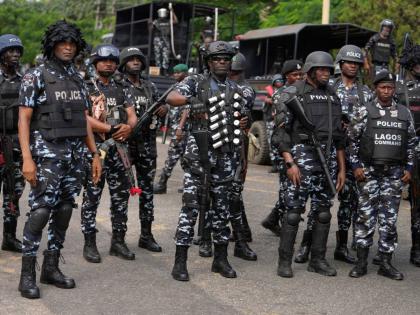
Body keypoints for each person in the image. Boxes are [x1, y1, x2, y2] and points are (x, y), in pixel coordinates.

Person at [17, 20, 101, 299]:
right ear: (52, 45)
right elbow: (24, 119)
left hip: (75, 155)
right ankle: (27, 274)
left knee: (65, 209)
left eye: (72, 43)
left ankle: (51, 267)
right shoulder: (36, 76)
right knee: (40, 212)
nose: (68, 47)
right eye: (62, 42)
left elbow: (84, 119)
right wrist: (27, 159)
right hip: (47, 155)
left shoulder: (79, 77)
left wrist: (94, 153)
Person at [166, 41, 249, 281]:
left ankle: (220, 260)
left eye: (225, 59)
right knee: (191, 208)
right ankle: (180, 262)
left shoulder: (236, 88)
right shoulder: (196, 82)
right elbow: (172, 97)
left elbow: (243, 116)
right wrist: (192, 103)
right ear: (209, 62)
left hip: (226, 155)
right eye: (217, 59)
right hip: (199, 154)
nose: (221, 62)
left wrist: (243, 121)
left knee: (221, 208)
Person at [295, 45, 373, 264]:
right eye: (349, 62)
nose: (353, 66)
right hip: (327, 151)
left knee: (350, 203)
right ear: (340, 64)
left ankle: (341, 246)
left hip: (354, 154)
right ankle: (306, 245)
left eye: (357, 64)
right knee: (319, 201)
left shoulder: (365, 92)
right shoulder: (328, 87)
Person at [276, 51, 346, 278]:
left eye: (328, 70)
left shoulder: (332, 95)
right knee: (294, 212)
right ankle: (284, 262)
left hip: (327, 158)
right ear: (310, 71)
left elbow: (339, 137)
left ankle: (317, 260)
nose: (326, 73)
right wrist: (290, 163)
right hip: (301, 157)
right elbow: (281, 133)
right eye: (322, 70)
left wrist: (342, 168)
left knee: (323, 213)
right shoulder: (292, 92)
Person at [348, 70, 417, 280]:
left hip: (394, 174)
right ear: (376, 89)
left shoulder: (404, 113)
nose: (386, 91)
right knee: (365, 217)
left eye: (390, 88)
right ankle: (361, 262)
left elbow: (413, 143)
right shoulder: (364, 111)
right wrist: (356, 166)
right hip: (368, 172)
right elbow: (351, 141)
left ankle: (385, 262)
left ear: (394, 89)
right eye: (382, 87)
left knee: (389, 219)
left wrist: (409, 169)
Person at [81, 44, 137, 263]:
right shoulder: (86, 87)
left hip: (120, 151)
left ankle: (118, 242)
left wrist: (129, 127)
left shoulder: (122, 86)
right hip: (95, 151)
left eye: (113, 61)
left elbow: (131, 114)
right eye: (104, 60)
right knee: (92, 197)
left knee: (121, 198)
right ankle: (89, 244)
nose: (109, 64)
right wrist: (110, 129)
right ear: (95, 63)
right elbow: (84, 118)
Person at [119, 46, 165, 252]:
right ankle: (118, 238)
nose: (135, 62)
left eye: (138, 59)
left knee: (147, 192)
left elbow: (161, 108)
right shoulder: (118, 85)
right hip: (125, 145)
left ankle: (146, 235)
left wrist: (164, 109)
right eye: (131, 59)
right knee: (121, 193)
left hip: (147, 144)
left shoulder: (150, 86)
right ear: (124, 63)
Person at [262, 59, 303, 237]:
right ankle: (282, 224)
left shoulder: (300, 91)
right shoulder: (282, 95)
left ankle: (273, 219)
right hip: (284, 147)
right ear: (287, 76)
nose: (299, 77)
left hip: (297, 147)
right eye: (295, 75)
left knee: (291, 189)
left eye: (301, 74)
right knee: (288, 188)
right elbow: (283, 128)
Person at [227, 52, 257, 261]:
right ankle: (243, 230)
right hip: (222, 141)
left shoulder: (244, 88)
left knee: (234, 190)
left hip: (236, 143)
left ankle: (241, 237)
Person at [395, 44, 420, 267]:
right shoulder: (397, 87)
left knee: (417, 204)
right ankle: (383, 248)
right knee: (389, 201)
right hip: (398, 149)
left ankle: (417, 248)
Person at [0, 34, 25, 253]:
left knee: (14, 192)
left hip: (15, 145)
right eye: (10, 51)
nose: (15, 54)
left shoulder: (24, 80)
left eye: (18, 51)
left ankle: (9, 237)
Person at [154, 63, 189, 194]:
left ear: (185, 73)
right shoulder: (176, 86)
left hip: (182, 129)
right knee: (185, 158)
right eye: (174, 72)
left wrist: (180, 127)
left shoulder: (187, 87)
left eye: (178, 72)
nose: (175, 75)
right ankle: (189, 184)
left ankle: (162, 183)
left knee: (172, 156)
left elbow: (187, 108)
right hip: (177, 127)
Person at [265, 74, 285, 173]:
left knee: (281, 142)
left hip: (280, 121)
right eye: (278, 81)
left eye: (281, 80)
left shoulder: (285, 91)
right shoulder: (271, 91)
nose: (280, 82)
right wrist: (271, 100)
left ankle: (281, 163)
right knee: (270, 142)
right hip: (270, 121)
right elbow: (266, 101)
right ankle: (274, 163)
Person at [152, 7, 177, 76]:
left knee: (166, 55)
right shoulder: (156, 21)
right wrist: (150, 24)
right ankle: (158, 71)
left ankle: (165, 70)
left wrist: (172, 11)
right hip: (158, 39)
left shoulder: (168, 21)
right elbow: (150, 29)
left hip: (166, 39)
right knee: (158, 55)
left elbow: (176, 21)